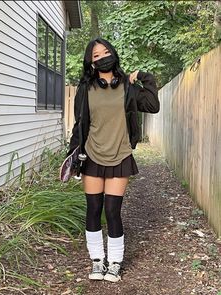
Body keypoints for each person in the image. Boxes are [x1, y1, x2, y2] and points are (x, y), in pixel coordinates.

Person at [67, 37, 160, 282]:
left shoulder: (128, 87)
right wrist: (72, 155)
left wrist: (143, 76)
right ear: (91, 61)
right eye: (96, 55)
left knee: (112, 210)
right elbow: (80, 124)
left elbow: (152, 105)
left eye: (106, 52)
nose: (102, 57)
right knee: (94, 209)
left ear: (114, 54)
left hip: (119, 155)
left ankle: (115, 263)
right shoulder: (86, 88)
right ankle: (97, 261)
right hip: (93, 155)